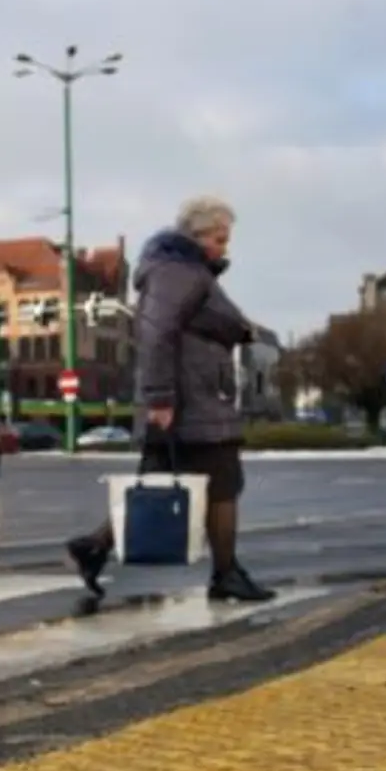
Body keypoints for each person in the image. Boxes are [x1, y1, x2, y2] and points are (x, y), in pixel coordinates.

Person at [66, 195, 276, 603]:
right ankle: (226, 574)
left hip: (193, 400)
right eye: (219, 238)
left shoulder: (182, 271)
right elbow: (156, 333)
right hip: (190, 403)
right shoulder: (179, 271)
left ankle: (94, 547)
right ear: (196, 236)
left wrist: (237, 329)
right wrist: (160, 398)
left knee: (161, 485)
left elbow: (186, 325)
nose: (224, 248)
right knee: (221, 486)